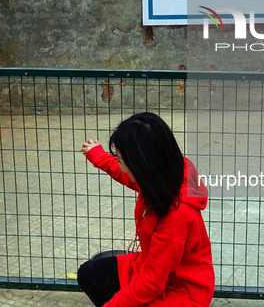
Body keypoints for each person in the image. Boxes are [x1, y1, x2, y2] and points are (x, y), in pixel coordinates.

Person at [78, 112, 215, 306]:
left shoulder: (177, 215)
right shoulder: (166, 172)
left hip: (182, 289)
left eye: (120, 158)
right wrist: (97, 155)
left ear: (141, 165)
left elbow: (151, 283)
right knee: (90, 274)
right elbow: (124, 174)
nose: (118, 163)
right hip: (151, 265)